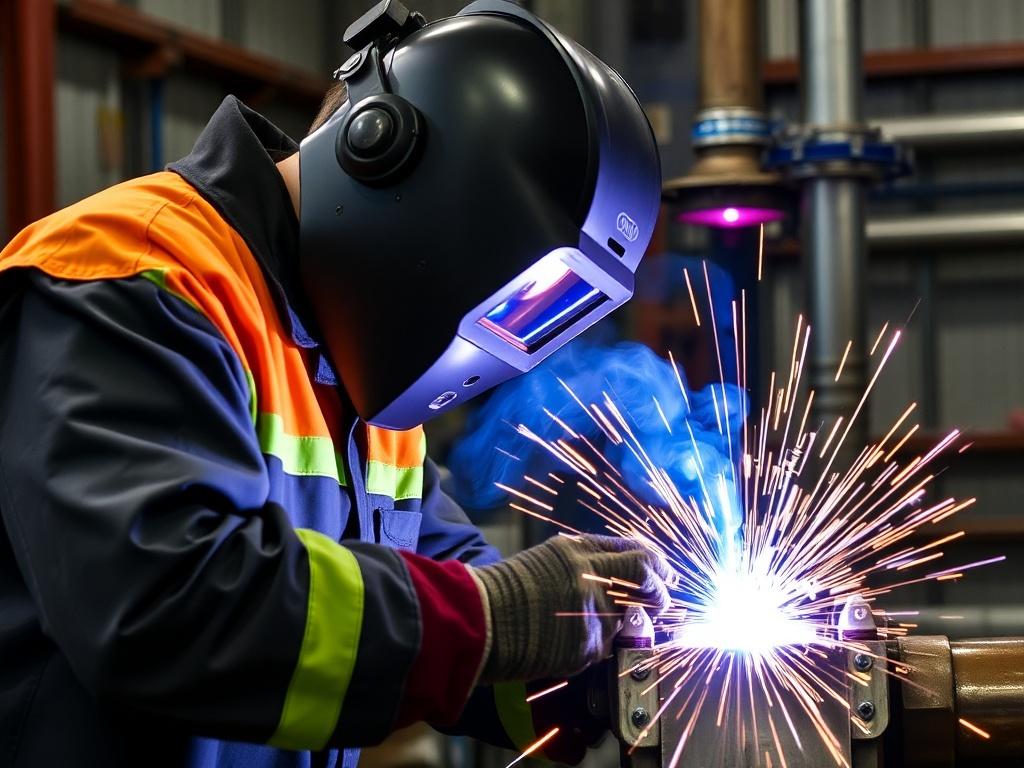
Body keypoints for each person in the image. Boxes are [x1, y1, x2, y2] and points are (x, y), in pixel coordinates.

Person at [0, 2, 666, 767]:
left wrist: (593, 668)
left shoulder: (363, 371)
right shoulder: (138, 272)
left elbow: (445, 600)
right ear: (377, 145)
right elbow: (161, 610)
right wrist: (495, 619)